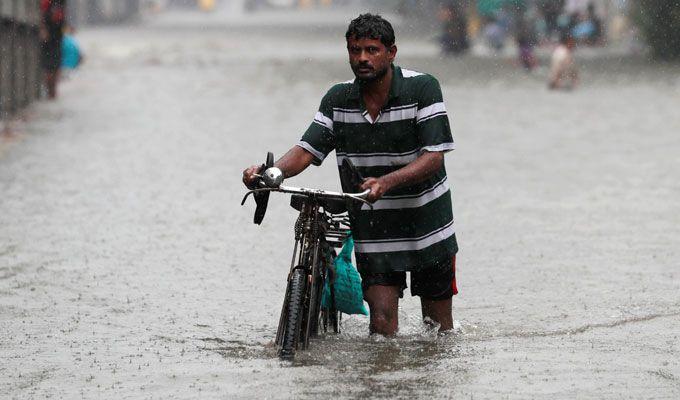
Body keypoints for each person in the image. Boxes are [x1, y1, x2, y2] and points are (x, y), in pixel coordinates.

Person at [242, 14, 459, 336]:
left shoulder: (422, 88)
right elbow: (307, 149)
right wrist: (272, 172)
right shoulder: (338, 99)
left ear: (391, 52)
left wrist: (387, 182)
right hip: (373, 225)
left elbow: (434, 158)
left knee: (438, 331)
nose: (362, 58)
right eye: (355, 50)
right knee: (382, 330)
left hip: (427, 223)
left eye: (372, 50)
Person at [40, 0, 66, 99]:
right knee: (50, 70)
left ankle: (52, 93)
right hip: (50, 40)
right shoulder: (49, 5)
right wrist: (43, 29)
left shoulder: (58, 4)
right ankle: (51, 93)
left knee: (53, 69)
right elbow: (42, 14)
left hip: (55, 39)